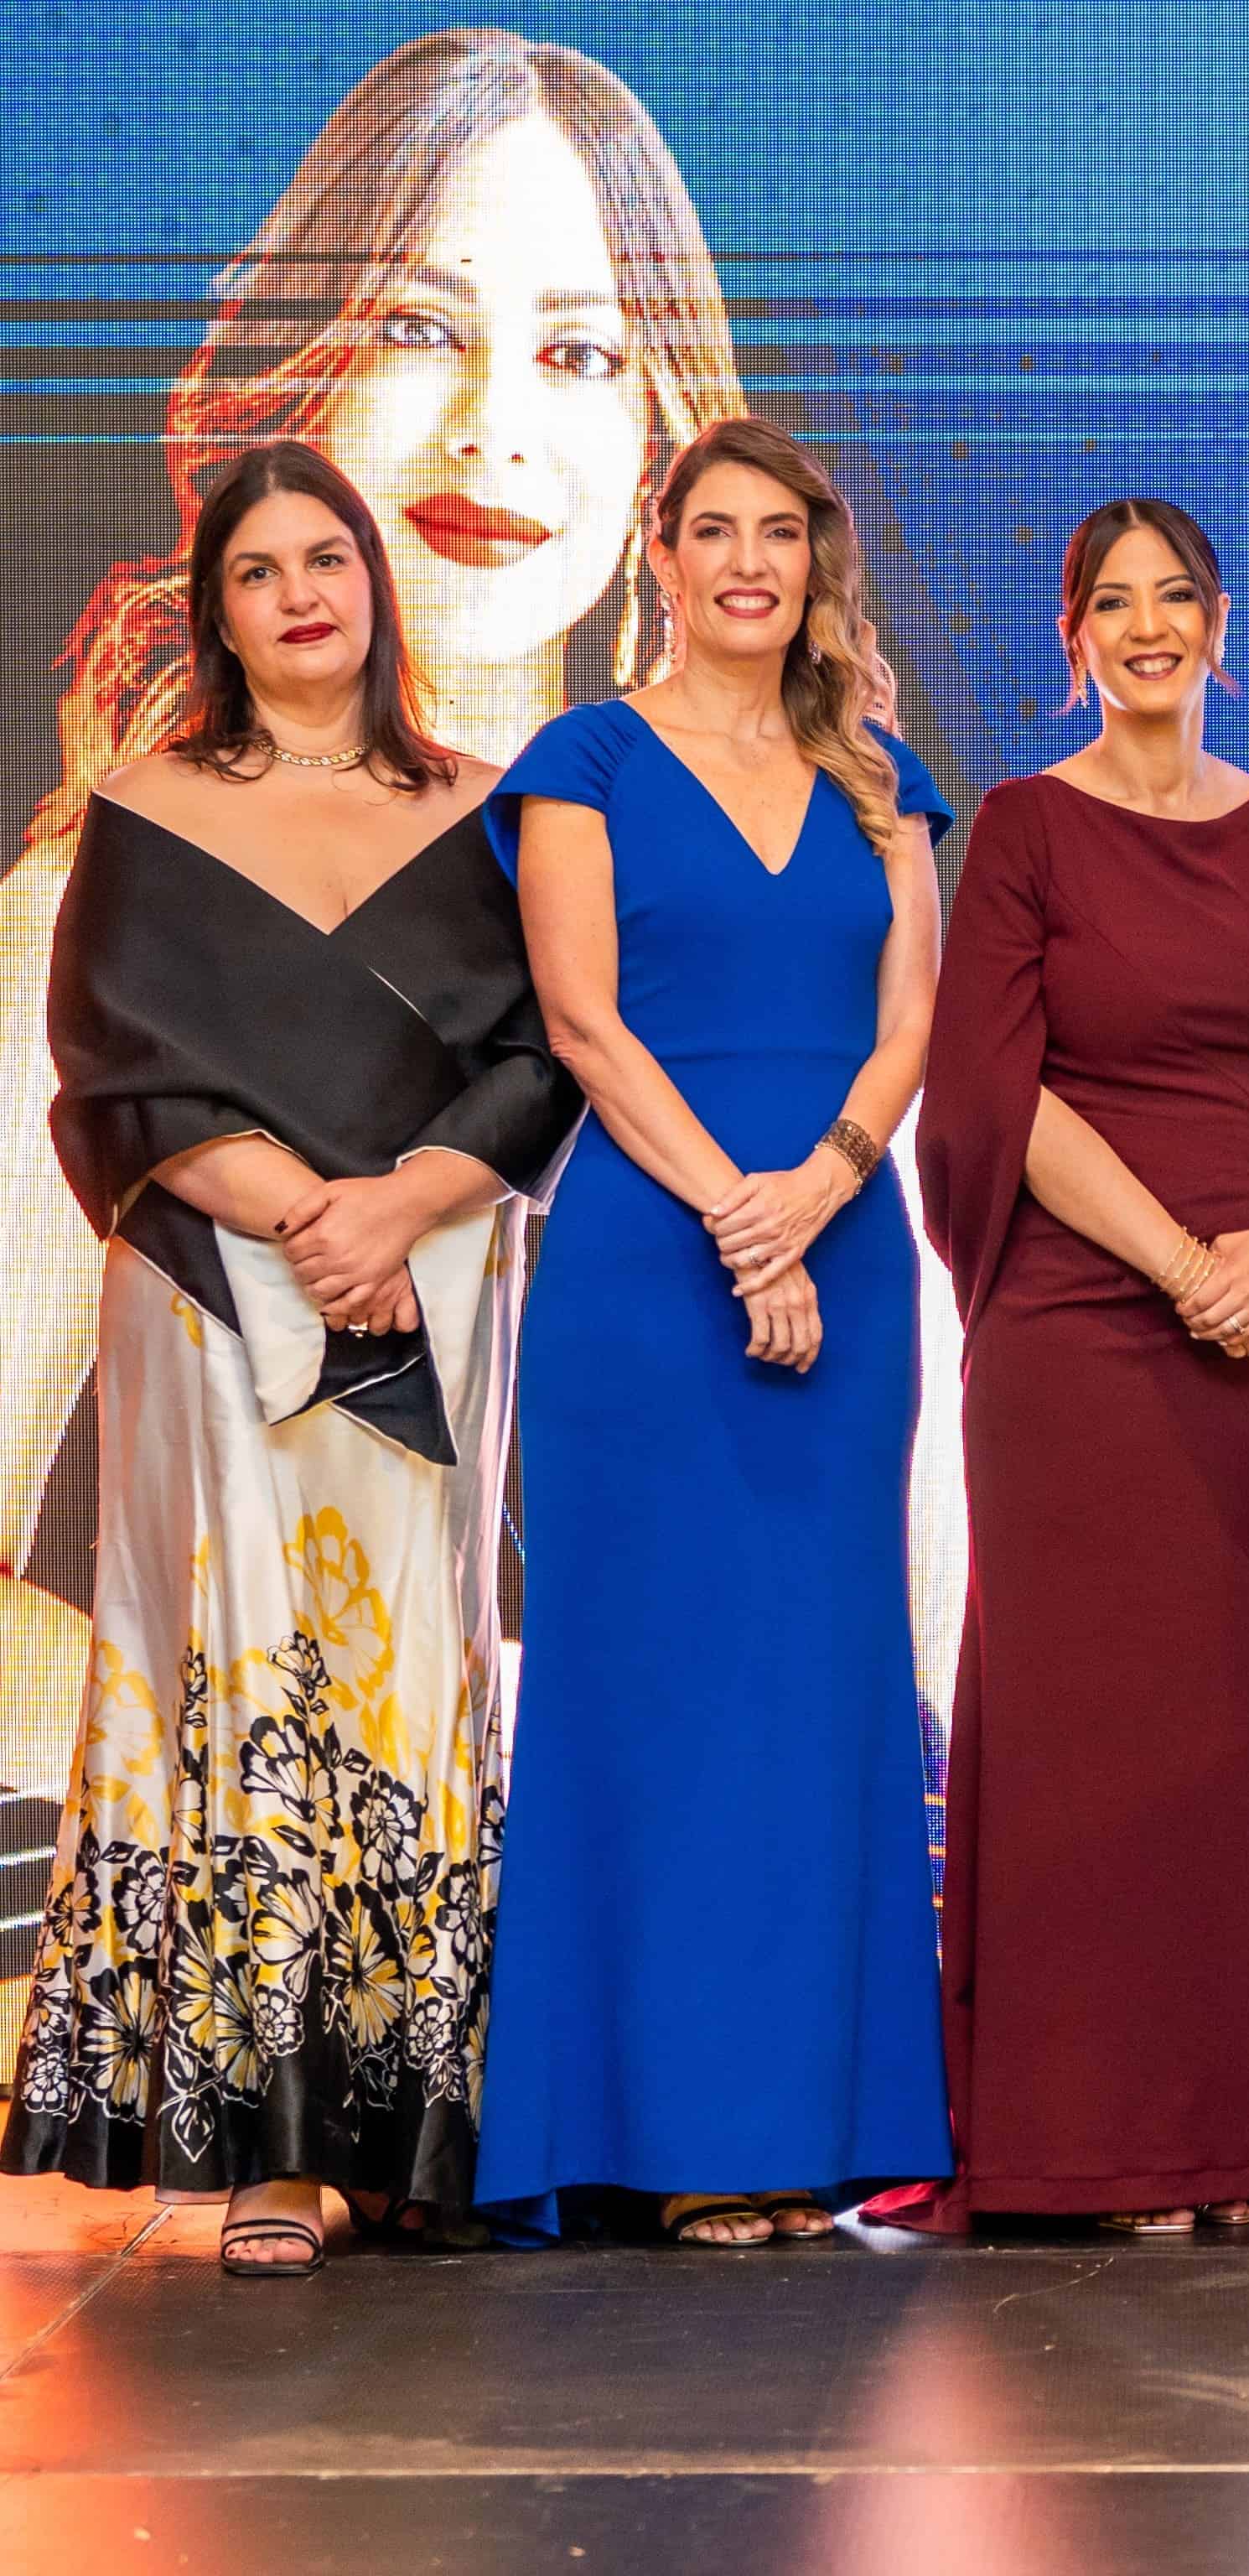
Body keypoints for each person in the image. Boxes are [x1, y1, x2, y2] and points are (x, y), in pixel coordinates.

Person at [0, 26, 743, 1815]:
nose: (493, 421)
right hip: (282, 1894)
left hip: (680, 1902)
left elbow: (933, 1597)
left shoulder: (758, 925)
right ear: (295, 380)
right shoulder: (82, 922)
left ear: (663, 441)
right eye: (418, 326)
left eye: (576, 350)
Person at [1, 442, 578, 2273]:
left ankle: (428, 2131)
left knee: (420, 1682)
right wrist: (299, 1219)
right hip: (212, 1302)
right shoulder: (144, 815)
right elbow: (112, 1069)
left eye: (327, 557)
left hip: (429, 1293)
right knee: (242, 1669)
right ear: (217, 609)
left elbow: (540, 1052)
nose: (302, 592)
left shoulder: (487, 809)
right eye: (260, 570)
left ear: (374, 584)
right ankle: (274, 2149)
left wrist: (399, 1209)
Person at [470, 419, 951, 2247]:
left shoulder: (880, 777)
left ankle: (795, 2135)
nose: (746, 563)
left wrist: (816, 1191)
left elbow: (906, 1028)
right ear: (654, 557)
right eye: (709, 531)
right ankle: (653, 2140)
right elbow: (583, 1021)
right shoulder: (583, 756)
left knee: (814, 1696)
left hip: (842, 1249)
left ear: (817, 566)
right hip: (643, 1264)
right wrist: (737, 1216)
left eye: (780, 534)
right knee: (649, 1696)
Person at [877, 501, 1249, 2236]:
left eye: (1174, 598)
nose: (1146, 626)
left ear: (1218, 625)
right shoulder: (1018, 827)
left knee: (1241, 1739)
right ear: (1070, 638)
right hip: (1081, 1335)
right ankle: (1078, 2141)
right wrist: (1175, 1264)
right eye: (1111, 602)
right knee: (1092, 1739)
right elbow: (994, 1098)